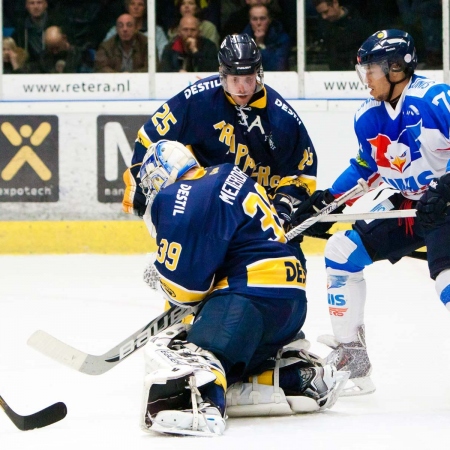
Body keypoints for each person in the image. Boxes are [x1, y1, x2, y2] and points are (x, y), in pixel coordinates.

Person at [133, 139, 347, 436]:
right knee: (237, 357)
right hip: (290, 306)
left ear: (159, 176)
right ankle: (293, 377)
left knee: (184, 352)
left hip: (247, 301)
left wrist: (163, 278)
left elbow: (187, 290)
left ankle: (197, 404)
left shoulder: (179, 194)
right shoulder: (225, 174)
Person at [290, 29, 450, 397]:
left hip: (447, 202)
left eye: (371, 70)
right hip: (410, 202)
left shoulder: (436, 100)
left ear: (396, 68)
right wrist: (328, 199)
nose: (366, 79)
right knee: (340, 252)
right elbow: (368, 166)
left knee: (446, 281)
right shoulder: (368, 116)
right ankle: (354, 359)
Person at [123, 33, 318, 239]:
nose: (242, 88)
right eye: (235, 80)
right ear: (222, 75)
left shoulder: (281, 118)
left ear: (258, 75)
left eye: (248, 79)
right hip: (207, 206)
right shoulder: (199, 100)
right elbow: (150, 135)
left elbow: (304, 172)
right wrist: (138, 177)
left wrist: (282, 208)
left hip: (260, 212)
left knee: (287, 268)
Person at [311, 0, 372, 71]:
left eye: (326, 12)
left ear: (335, 3)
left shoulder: (359, 20)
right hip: (334, 71)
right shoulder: (323, 25)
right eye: (321, 13)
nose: (324, 16)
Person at [102, 0, 168, 63]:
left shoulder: (155, 31)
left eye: (140, 4)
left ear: (145, 8)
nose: (136, 7)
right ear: (127, 7)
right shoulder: (116, 30)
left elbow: (163, 53)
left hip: (146, 71)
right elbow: (104, 51)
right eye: (132, 4)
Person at [242, 4, 290, 71]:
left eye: (262, 19)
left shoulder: (282, 39)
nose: (258, 23)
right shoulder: (241, 40)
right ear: (250, 21)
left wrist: (260, 45)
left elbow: (278, 67)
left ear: (269, 20)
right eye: (254, 19)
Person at [11, 0, 56, 65]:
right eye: (32, 3)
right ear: (26, 6)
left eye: (39, 2)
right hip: (27, 68)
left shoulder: (55, 24)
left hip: (51, 67)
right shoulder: (21, 28)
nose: (36, 7)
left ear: (46, 5)